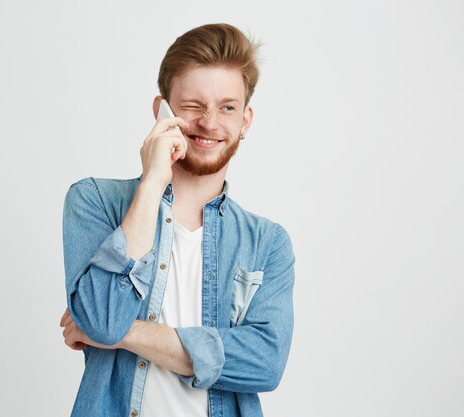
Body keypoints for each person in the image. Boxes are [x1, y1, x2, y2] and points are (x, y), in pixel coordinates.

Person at [59, 23, 295, 417]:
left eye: (227, 107)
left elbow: (265, 364)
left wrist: (125, 334)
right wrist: (152, 184)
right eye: (193, 106)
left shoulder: (267, 243)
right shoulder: (95, 201)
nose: (210, 122)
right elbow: (101, 318)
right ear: (161, 111)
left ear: (245, 120)